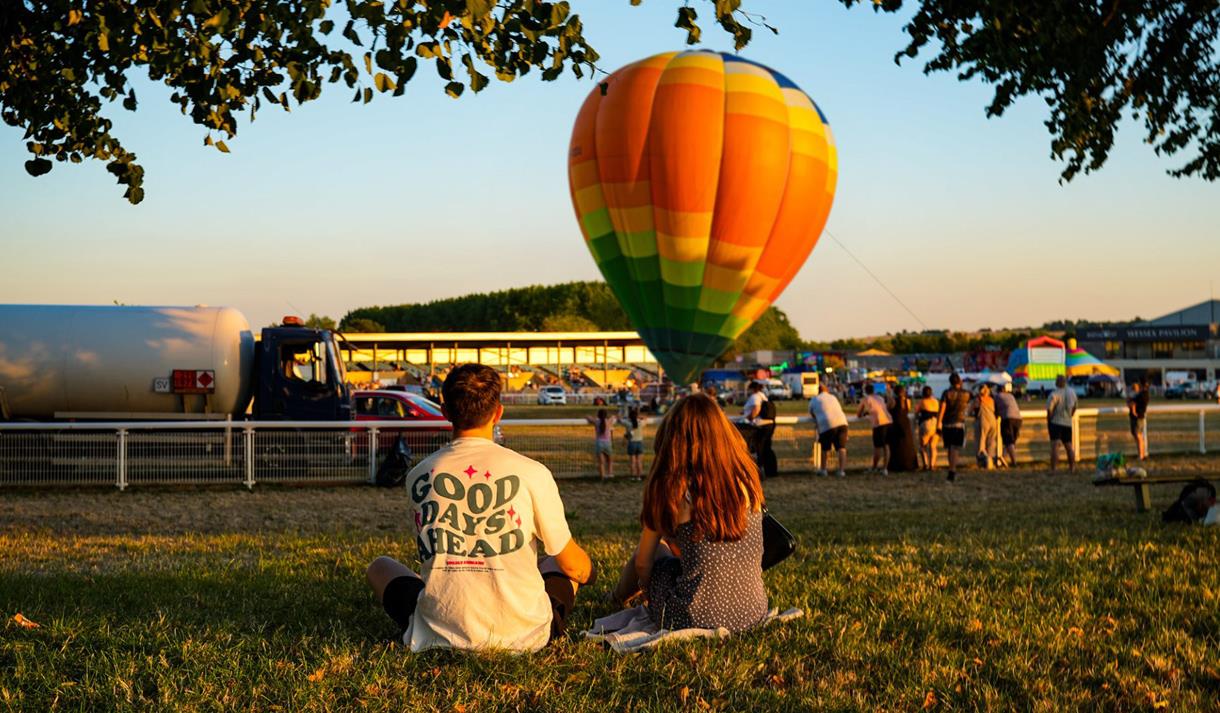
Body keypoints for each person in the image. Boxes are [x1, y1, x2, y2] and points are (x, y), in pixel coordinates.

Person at [366, 363, 596, 652]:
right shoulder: (532, 472)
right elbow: (572, 564)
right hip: (524, 634)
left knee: (380, 567)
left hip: (440, 628)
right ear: (498, 412)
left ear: (445, 411)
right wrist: (589, 574)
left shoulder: (419, 474)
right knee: (559, 564)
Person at [609, 393, 769, 632]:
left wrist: (648, 590)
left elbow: (643, 564)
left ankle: (615, 598)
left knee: (657, 550)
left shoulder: (675, 488)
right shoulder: (747, 478)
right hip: (753, 612)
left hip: (690, 617)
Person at [808, 383, 849, 477]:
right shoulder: (833, 397)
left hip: (826, 424)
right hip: (842, 422)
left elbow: (811, 412)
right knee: (841, 448)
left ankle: (823, 469)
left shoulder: (814, 400)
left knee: (825, 449)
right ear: (826, 390)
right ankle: (841, 470)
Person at [937, 373, 971, 482]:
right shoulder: (966, 394)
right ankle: (953, 469)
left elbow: (942, 408)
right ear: (959, 381)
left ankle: (951, 469)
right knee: (955, 448)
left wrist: (938, 423)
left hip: (947, 423)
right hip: (959, 423)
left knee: (949, 447)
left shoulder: (946, 393)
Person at [742, 381, 778, 479]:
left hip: (760, 425)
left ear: (752, 389)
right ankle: (770, 470)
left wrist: (749, 417)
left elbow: (756, 409)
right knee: (767, 447)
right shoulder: (763, 395)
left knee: (759, 448)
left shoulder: (755, 397)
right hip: (769, 424)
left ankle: (760, 470)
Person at [856, 383, 892, 475]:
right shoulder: (880, 398)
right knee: (886, 446)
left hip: (878, 423)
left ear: (865, 391)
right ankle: (885, 468)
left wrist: (864, 414)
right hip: (888, 421)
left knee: (877, 447)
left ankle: (874, 467)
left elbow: (859, 413)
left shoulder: (866, 399)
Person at [1046, 374, 1078, 473]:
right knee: (1068, 445)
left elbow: (1050, 410)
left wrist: (1049, 420)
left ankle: (1054, 468)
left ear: (1057, 383)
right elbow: (1075, 406)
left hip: (1056, 422)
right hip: (1067, 422)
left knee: (1055, 446)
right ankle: (1072, 467)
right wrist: (1070, 415)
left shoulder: (1054, 394)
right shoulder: (1072, 393)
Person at [886, 387, 919, 472]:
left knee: (896, 444)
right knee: (907, 443)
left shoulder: (892, 401)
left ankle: (897, 464)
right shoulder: (906, 401)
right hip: (905, 422)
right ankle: (909, 464)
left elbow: (887, 409)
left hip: (895, 422)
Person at [994, 382, 1023, 467]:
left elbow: (995, 410)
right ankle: (1004, 458)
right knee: (1012, 441)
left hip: (1007, 418)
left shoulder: (997, 397)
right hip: (1018, 418)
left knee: (1008, 441)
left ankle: (1014, 462)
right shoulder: (1010, 396)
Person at [585, 408, 618, 479]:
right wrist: (613, 416)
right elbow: (614, 417)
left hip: (599, 443)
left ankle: (602, 476)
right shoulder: (609, 421)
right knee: (609, 460)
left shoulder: (597, 422)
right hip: (607, 443)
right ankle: (610, 474)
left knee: (601, 462)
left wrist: (589, 416)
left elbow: (588, 417)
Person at [971, 384, 998, 470]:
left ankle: (982, 462)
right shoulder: (991, 399)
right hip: (993, 421)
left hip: (983, 420)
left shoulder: (979, 399)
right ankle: (990, 461)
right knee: (991, 442)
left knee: (981, 441)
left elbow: (971, 409)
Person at [915, 386, 940, 471]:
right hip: (936, 423)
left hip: (926, 423)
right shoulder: (936, 401)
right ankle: (932, 465)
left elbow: (916, 412)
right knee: (933, 446)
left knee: (923, 446)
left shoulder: (922, 401)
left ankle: (925, 464)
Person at [1127, 380, 1149, 461]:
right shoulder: (1143, 395)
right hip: (1140, 417)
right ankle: (1142, 454)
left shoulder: (1140, 395)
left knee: (1138, 436)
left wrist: (1133, 411)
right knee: (1139, 436)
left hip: (1137, 417)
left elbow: (1132, 403)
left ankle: (1141, 455)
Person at [623, 405, 646, 478]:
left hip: (631, 443)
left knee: (632, 462)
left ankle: (633, 476)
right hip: (640, 443)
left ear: (629, 417)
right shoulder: (640, 423)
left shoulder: (628, 424)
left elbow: (620, 419)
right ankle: (639, 476)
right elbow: (646, 418)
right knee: (639, 461)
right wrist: (640, 417)